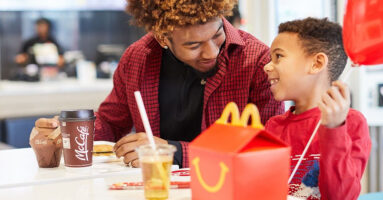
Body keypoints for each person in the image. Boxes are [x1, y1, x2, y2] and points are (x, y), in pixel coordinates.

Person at [35, 0, 283, 168]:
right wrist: (66, 131)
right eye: (193, 45)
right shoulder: (137, 58)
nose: (211, 52)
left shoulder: (257, 61)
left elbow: (264, 147)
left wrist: (171, 152)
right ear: (163, 38)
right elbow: (111, 122)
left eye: (217, 34)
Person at [263, 17, 371, 199]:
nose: (267, 66)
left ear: (317, 64)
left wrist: (334, 129)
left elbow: (341, 196)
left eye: (278, 56)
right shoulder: (273, 126)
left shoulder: (351, 122)